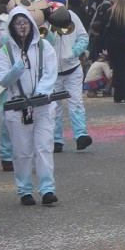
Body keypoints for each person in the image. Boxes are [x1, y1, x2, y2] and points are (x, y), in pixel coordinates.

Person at [0, 7, 59, 206]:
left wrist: (41, 92)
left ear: (31, 24)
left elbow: (50, 72)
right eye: (18, 23)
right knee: (22, 151)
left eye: (25, 22)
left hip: (42, 104)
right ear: (12, 27)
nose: (22, 26)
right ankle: (24, 190)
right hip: (17, 106)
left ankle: (47, 189)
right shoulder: (5, 51)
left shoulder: (44, 46)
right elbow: (2, 80)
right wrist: (16, 70)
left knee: (44, 147)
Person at [48, 8, 92, 153]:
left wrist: (73, 52)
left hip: (72, 68)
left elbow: (83, 37)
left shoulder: (72, 15)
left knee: (76, 102)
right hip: (52, 71)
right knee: (54, 106)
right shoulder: (44, 20)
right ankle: (56, 139)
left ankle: (81, 135)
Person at [104, 0, 125, 103]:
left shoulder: (111, 13)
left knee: (117, 70)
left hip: (114, 45)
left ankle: (117, 95)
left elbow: (105, 29)